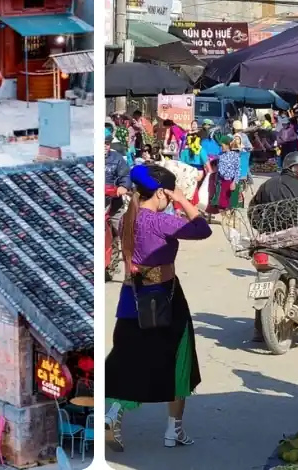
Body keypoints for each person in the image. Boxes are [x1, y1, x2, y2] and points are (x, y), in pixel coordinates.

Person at [105, 165, 212, 452]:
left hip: (131, 297)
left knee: (127, 358)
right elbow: (203, 229)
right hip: (163, 298)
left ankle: (112, 413)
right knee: (179, 359)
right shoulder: (158, 221)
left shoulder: (127, 219)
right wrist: (182, 199)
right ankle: (173, 430)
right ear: (162, 192)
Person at [207, 136, 242, 216]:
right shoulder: (220, 155)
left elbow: (238, 170)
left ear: (227, 145)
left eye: (222, 145)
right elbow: (217, 168)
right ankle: (224, 219)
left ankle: (229, 219)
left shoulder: (235, 156)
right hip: (221, 182)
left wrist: (234, 182)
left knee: (231, 204)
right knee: (221, 204)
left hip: (230, 183)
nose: (221, 147)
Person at [106, 134, 132, 236]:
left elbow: (126, 173)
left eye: (107, 143)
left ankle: (122, 242)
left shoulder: (117, 158)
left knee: (119, 222)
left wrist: (124, 186)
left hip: (113, 198)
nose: (104, 146)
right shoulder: (88, 159)